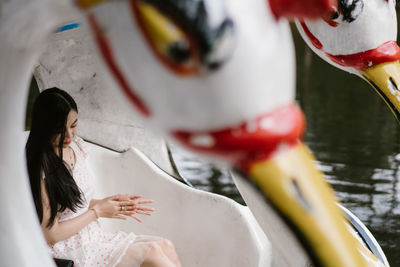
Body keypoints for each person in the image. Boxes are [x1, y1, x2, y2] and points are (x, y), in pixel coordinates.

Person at [25, 87, 182, 267]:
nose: (69, 135)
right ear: (45, 128)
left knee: (164, 245)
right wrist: (98, 212)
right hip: (68, 250)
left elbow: (73, 204)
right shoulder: (41, 168)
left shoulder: (77, 148)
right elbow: (51, 235)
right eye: (61, 129)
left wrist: (110, 204)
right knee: (152, 254)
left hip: (93, 236)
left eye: (74, 125)